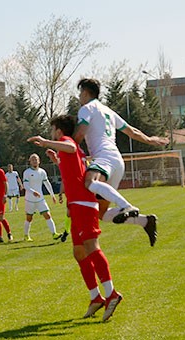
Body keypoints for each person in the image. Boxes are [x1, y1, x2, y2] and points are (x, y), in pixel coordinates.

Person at [28, 114, 123, 322]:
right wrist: (57, 159)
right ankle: (95, 297)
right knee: (79, 252)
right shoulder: (67, 149)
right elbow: (73, 165)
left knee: (91, 246)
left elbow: (70, 148)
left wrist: (44, 142)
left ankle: (112, 294)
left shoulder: (66, 142)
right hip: (76, 204)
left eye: (52, 130)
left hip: (84, 203)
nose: (51, 133)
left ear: (59, 131)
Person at [74, 78, 169, 246]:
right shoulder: (108, 111)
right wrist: (150, 139)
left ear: (86, 92)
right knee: (101, 213)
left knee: (89, 182)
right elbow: (131, 131)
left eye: (80, 92)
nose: (79, 96)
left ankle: (127, 206)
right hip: (117, 161)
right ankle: (145, 221)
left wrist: (68, 148)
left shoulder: (86, 109)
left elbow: (80, 133)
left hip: (104, 158)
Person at [22, 153, 60, 241]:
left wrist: (52, 195)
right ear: (30, 162)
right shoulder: (27, 172)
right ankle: (26, 235)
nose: (35, 161)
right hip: (30, 200)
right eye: (33, 159)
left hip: (40, 199)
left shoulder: (42, 172)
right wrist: (33, 192)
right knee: (29, 218)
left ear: (39, 161)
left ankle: (54, 233)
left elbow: (47, 183)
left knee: (47, 215)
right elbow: (25, 185)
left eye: (36, 159)